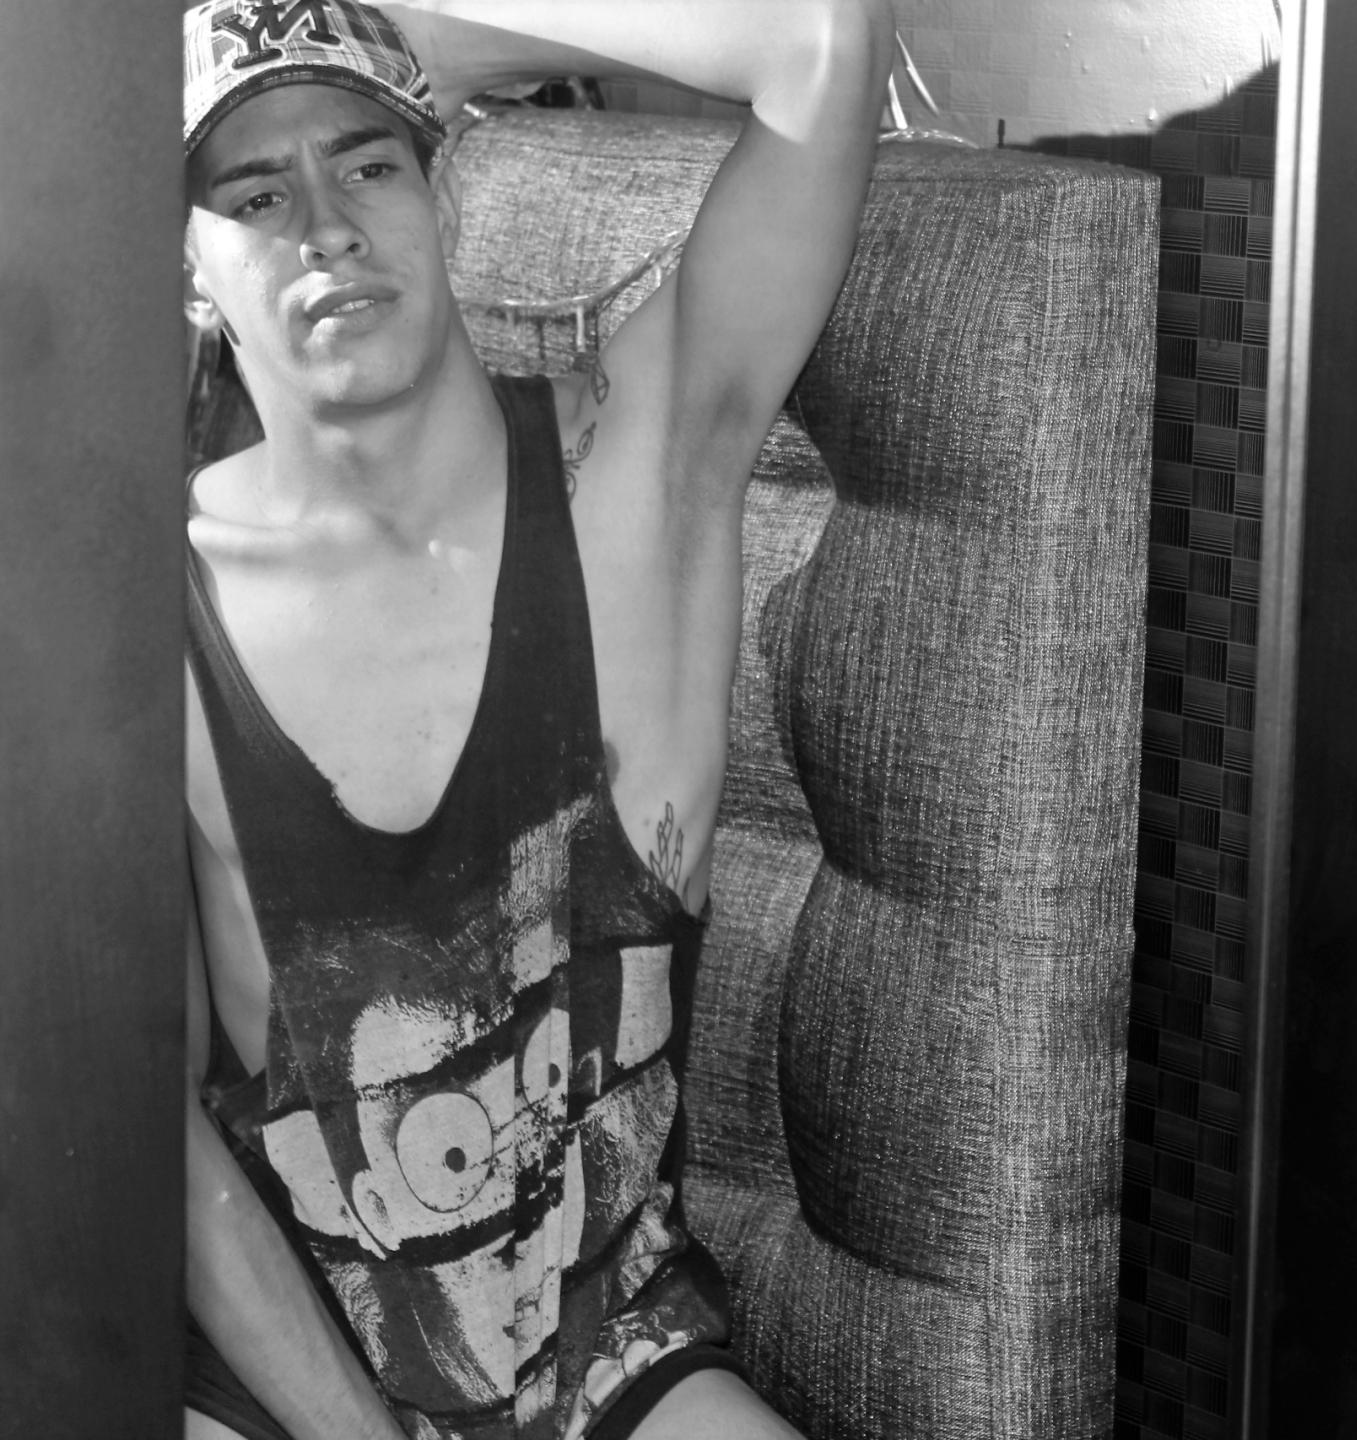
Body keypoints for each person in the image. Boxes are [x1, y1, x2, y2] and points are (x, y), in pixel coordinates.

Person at [177, 2, 892, 1437]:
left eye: (367, 164)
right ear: (192, 275)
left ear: (443, 196)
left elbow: (819, 41)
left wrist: (388, 27)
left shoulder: (634, 475)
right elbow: (149, 1138)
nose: (326, 226)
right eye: (255, 198)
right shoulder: (147, 620)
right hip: (285, 1398)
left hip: (610, 1355)